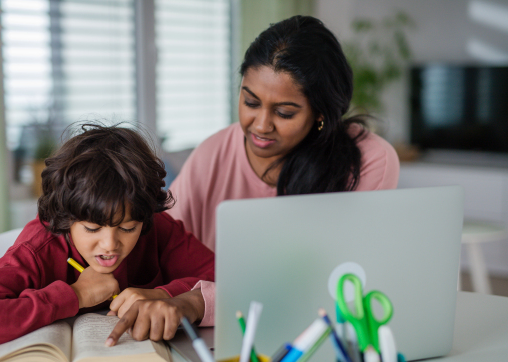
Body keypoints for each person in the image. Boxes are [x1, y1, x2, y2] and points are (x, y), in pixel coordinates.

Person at [166, 16, 400, 326]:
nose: (261, 125)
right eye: (251, 102)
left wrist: (201, 301)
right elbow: (162, 242)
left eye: (284, 112)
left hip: (312, 329)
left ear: (320, 113)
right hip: (215, 332)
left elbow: (329, 282)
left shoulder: (369, 160)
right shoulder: (214, 151)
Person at [0, 123, 214, 358]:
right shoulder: (38, 247)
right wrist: (75, 294)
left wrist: (163, 295)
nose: (110, 244)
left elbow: (227, 279)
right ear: (66, 218)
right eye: (92, 228)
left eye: (127, 228)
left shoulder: (157, 228)